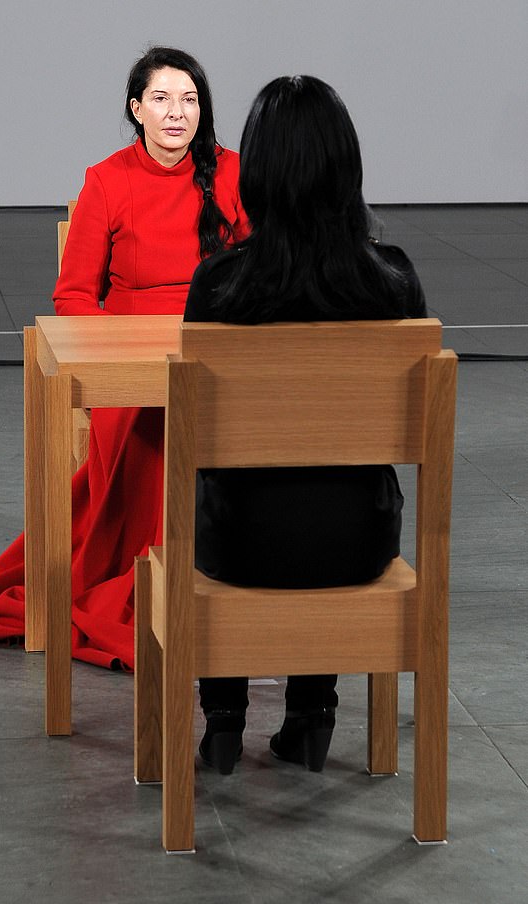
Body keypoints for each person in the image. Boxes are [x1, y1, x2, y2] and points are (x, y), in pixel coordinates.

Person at [0, 47, 249, 669]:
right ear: (136, 109)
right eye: (161, 99)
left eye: (189, 99)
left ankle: (213, 583)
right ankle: (160, 588)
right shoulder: (106, 179)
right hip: (128, 363)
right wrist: (126, 354)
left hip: (213, 351)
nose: (177, 113)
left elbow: (263, 275)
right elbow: (74, 295)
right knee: (154, 434)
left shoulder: (233, 174)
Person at [183, 75, 427, 775]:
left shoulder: (218, 284)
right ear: (345, 168)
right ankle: (312, 715)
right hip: (359, 545)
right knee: (333, 489)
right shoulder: (395, 282)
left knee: (223, 494)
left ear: (256, 172)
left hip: (240, 549)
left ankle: (224, 722)